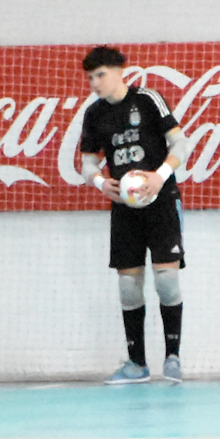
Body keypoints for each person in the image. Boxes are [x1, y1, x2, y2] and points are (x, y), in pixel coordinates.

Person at [75, 48, 189, 384]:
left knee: (166, 280)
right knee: (128, 284)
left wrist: (159, 176)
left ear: (119, 72)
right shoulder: (94, 114)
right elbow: (87, 163)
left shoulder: (148, 99)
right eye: (90, 77)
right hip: (125, 208)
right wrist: (99, 182)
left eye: (101, 75)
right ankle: (136, 363)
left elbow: (180, 144)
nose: (95, 83)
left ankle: (173, 356)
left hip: (161, 200)